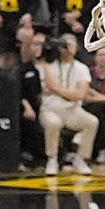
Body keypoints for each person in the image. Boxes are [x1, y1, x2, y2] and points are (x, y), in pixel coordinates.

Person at [39, 33, 98, 176]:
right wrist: (68, 93)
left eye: (71, 45)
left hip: (72, 111)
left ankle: (80, 159)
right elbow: (51, 85)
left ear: (77, 48)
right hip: (50, 109)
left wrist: (57, 91)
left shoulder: (82, 68)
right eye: (65, 44)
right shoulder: (48, 66)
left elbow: (81, 95)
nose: (68, 48)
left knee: (92, 122)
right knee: (54, 123)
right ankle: (52, 159)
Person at [17, 26, 46, 166]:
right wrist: (27, 106)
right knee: (29, 121)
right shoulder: (17, 67)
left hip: (36, 105)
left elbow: (38, 92)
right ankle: (30, 157)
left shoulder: (33, 68)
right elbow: (18, 91)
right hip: (22, 106)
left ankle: (41, 157)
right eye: (29, 45)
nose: (33, 49)